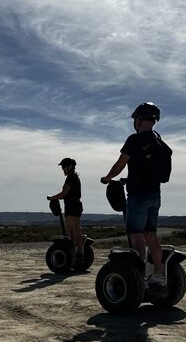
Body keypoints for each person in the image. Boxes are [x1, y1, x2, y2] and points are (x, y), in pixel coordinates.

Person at [101, 102, 166, 291]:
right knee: (151, 236)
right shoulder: (158, 142)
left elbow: (119, 164)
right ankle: (158, 277)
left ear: (139, 119)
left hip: (138, 196)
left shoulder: (134, 140)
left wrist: (108, 177)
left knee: (136, 236)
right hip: (155, 195)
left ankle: (141, 278)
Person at [47, 157, 85, 264]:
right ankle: (80, 256)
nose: (63, 169)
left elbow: (64, 193)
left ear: (70, 167)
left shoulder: (70, 178)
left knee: (71, 231)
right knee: (77, 231)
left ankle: (71, 255)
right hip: (77, 205)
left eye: (64, 167)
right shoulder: (75, 177)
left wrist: (52, 197)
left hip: (71, 206)